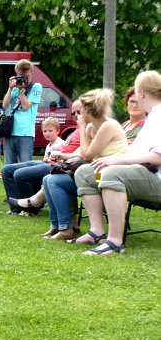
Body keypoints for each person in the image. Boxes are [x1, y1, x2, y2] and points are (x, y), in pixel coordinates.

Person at [73, 71, 161, 254]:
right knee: (86, 173)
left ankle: (114, 242)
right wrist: (112, 161)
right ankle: (97, 231)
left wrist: (115, 160)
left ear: (141, 93)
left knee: (111, 173)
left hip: (156, 181)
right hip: (141, 175)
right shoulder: (153, 115)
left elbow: (157, 158)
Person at [38, 88, 128, 241]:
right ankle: (56, 226)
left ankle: (66, 228)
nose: (78, 115)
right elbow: (82, 152)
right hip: (98, 173)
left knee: (54, 181)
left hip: (111, 176)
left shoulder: (109, 126)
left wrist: (81, 128)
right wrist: (62, 155)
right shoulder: (93, 127)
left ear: (86, 109)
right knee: (48, 179)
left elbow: (87, 154)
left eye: (79, 111)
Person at [1, 111, 73, 215]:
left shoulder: (60, 143)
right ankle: (15, 208)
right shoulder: (48, 145)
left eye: (50, 131)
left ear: (58, 131)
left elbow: (60, 161)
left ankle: (30, 208)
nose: (47, 133)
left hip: (54, 167)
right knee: (6, 170)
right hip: (44, 163)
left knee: (21, 174)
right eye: (45, 131)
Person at [1, 59, 43, 164]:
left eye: (26, 76)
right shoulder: (15, 88)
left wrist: (21, 90)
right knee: (9, 166)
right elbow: (5, 104)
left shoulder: (36, 87)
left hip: (25, 133)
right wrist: (10, 88)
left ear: (32, 74)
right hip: (10, 131)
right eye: (20, 76)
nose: (24, 79)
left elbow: (25, 106)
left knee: (26, 166)